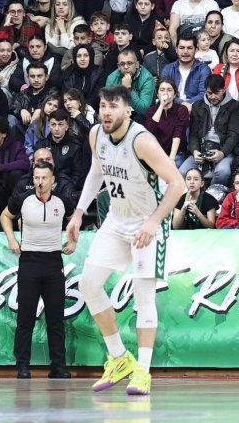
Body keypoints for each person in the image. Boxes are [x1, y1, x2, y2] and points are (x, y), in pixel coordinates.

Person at [63, 85, 186, 398]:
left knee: (143, 297)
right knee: (88, 285)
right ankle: (119, 357)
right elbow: (96, 173)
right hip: (116, 220)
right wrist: (78, 213)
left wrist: (154, 221)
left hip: (147, 223)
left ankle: (143, 370)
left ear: (128, 111)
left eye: (113, 106)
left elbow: (177, 184)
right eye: (103, 106)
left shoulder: (141, 140)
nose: (106, 112)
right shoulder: (96, 135)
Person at [5, 163, 73, 379]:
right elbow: (5, 216)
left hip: (54, 261)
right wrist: (11, 239)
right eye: (36, 178)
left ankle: (58, 366)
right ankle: (23, 365)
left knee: (56, 318)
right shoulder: (23, 199)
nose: (40, 182)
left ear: (53, 180)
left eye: (44, 178)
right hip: (29, 261)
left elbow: (75, 219)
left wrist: (73, 240)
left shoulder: (62, 201)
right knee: (26, 317)